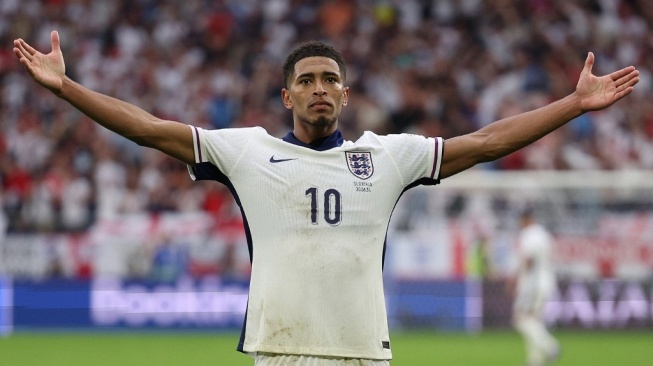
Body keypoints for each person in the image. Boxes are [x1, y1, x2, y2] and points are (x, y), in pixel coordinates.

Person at [13, 30, 638, 365]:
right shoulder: (248, 151)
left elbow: (484, 142)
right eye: (306, 80)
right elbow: (148, 128)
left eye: (329, 80)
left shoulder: (387, 156)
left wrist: (574, 104)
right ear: (286, 95)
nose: (319, 88)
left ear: (345, 93)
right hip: (283, 353)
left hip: (365, 352)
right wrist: (67, 87)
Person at [511, 208, 560, 366]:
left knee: (521, 320)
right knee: (535, 321)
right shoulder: (544, 234)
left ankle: (550, 346)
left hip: (533, 283)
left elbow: (529, 260)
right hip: (547, 281)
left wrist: (516, 279)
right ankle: (535, 361)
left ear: (526, 219)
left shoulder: (528, 234)